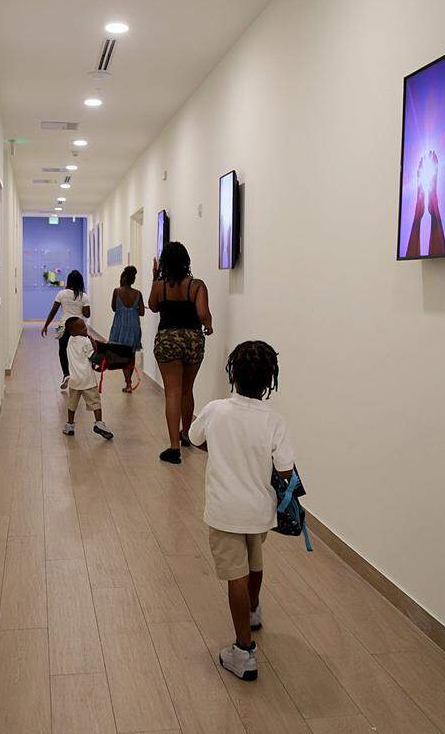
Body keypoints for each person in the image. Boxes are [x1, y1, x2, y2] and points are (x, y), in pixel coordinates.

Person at [188, 340, 292, 681]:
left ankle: (243, 652)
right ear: (269, 381)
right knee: (255, 560)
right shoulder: (273, 420)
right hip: (259, 510)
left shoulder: (216, 409)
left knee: (236, 574)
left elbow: (194, 438)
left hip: (224, 511)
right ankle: (253, 609)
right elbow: (286, 467)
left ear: (231, 373)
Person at [148, 242, 213, 464]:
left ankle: (174, 448)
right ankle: (187, 435)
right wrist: (210, 326)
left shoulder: (160, 285)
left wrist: (155, 279)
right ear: (186, 261)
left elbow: (153, 306)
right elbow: (203, 314)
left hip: (167, 339)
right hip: (193, 340)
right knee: (187, 389)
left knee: (172, 392)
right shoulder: (197, 285)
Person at [61, 317, 114, 440]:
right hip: (87, 379)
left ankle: (70, 426)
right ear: (74, 331)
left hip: (74, 380)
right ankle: (99, 423)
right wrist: (98, 349)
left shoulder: (70, 340)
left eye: (85, 325)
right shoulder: (85, 341)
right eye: (82, 327)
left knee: (72, 404)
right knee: (95, 402)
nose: (85, 328)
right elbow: (92, 357)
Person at [41, 270, 90, 389]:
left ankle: (66, 374)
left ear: (69, 281)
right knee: (78, 353)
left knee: (62, 351)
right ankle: (78, 376)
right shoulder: (84, 296)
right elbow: (87, 314)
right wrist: (80, 308)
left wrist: (46, 325)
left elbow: (54, 311)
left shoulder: (61, 294)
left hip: (62, 326)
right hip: (78, 328)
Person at [108, 265, 145, 392]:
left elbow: (114, 308)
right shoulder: (138, 294)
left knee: (123, 356)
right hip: (134, 326)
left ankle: (128, 383)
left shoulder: (116, 291)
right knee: (131, 355)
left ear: (123, 278)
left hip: (120, 326)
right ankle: (129, 383)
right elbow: (141, 312)